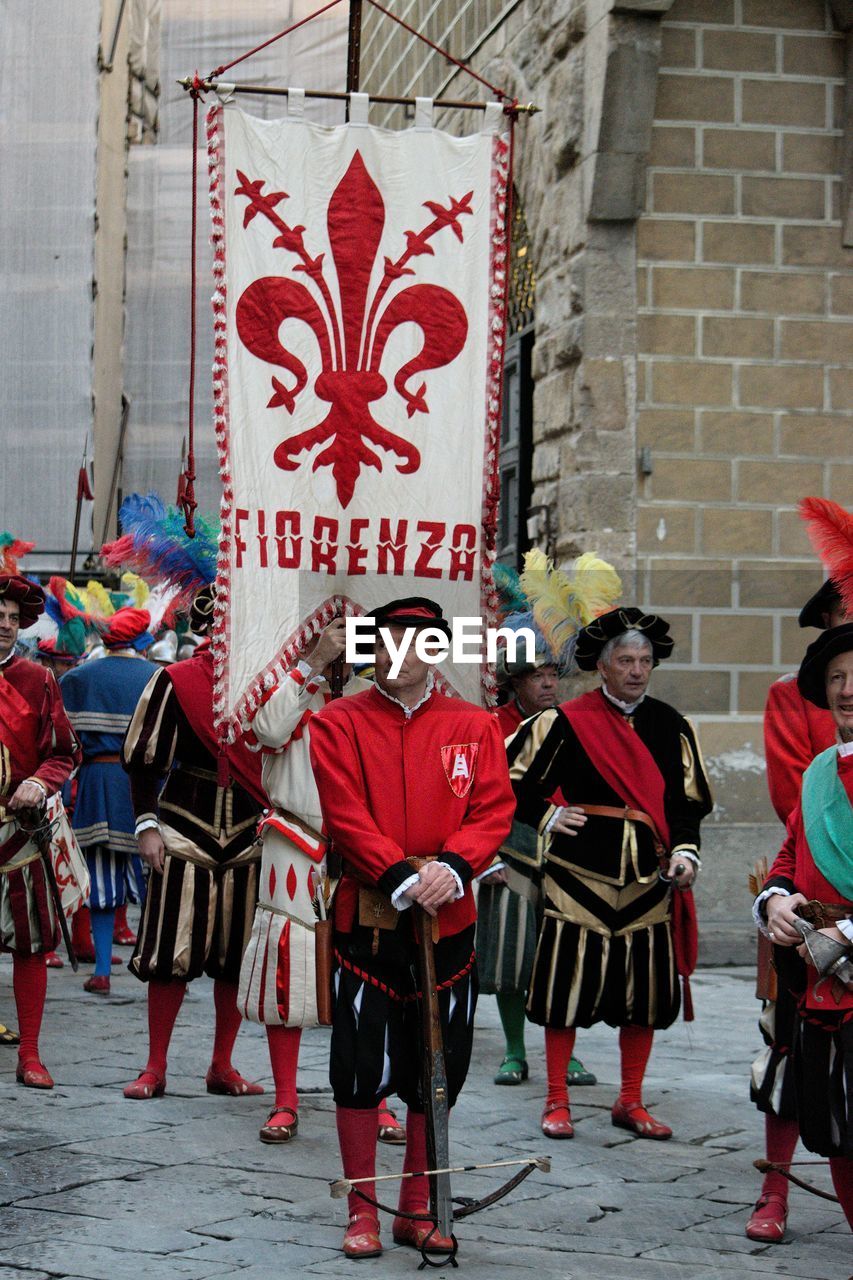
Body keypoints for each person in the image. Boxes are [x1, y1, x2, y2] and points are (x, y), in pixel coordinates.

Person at [309, 598, 515, 1259]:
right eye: (388, 642)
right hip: (369, 920)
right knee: (359, 1065)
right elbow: (342, 809)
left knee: (440, 1067)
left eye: (415, 643)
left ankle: (417, 1205)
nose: (399, 655)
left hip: (449, 920)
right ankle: (363, 1211)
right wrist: (399, 874)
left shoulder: (474, 724)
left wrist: (453, 868)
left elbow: (492, 808)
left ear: (433, 653)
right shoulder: (337, 721)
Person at [508, 607, 712, 1140]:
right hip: (577, 877)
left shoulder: (673, 726)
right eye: (626, 660)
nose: (637, 670)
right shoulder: (563, 721)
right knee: (562, 994)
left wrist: (686, 853)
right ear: (603, 665)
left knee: (643, 996)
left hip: (649, 880)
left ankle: (630, 1100)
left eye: (645, 660)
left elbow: (687, 806)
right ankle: (556, 1100)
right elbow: (505, 782)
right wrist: (547, 815)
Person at [239, 616, 403, 1145]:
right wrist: (310, 664)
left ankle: (375, 1101)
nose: (342, 641)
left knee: (373, 978)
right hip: (293, 842)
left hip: (364, 849)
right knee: (283, 974)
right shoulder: (284, 684)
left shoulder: (375, 694)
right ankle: (285, 1100)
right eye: (331, 629)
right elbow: (265, 731)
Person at [121, 587, 266, 1099]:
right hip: (183, 830)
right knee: (169, 953)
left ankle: (221, 1066)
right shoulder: (174, 681)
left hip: (251, 835)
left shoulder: (266, 683)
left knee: (235, 957)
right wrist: (146, 824)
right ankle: (155, 1066)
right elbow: (143, 759)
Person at [747, 579, 847, 1242]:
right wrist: (774, 901)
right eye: (838, 672)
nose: (847, 685)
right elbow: (797, 826)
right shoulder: (800, 713)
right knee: (795, 1062)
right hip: (809, 943)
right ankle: (773, 1190)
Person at [481, 648, 596, 1087]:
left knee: (563, 959)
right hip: (509, 852)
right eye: (537, 676)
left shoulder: (572, 723)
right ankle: (514, 1049)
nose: (548, 684)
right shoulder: (490, 725)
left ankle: (564, 1057)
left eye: (553, 674)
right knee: (511, 956)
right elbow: (473, 795)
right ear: (516, 681)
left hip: (565, 853)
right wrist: (484, 857)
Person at [0, 574, 80, 1087]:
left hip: (18, 832)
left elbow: (63, 752)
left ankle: (29, 1054)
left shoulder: (37, 679)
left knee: (30, 943)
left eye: (12, 618)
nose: (5, 626)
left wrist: (36, 781)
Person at [59, 607, 156, 993]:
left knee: (99, 879)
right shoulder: (156, 676)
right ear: (139, 640)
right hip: (144, 783)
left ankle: (101, 969)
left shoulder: (78, 677)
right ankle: (152, 964)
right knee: (153, 879)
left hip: (97, 782)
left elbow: (64, 741)